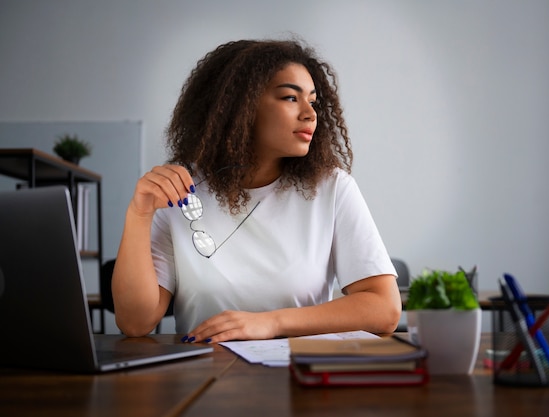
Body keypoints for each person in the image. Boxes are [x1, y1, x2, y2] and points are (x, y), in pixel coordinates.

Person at [112, 38, 401, 343]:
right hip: (203, 376)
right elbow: (134, 322)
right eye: (291, 98)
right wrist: (139, 214)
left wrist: (272, 323)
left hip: (299, 377)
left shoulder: (332, 188)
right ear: (240, 105)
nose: (310, 114)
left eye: (313, 102)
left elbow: (384, 309)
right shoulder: (181, 191)